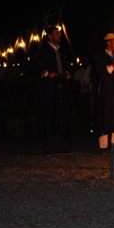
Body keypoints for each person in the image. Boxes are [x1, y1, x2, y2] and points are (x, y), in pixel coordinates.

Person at [31, 25, 73, 155]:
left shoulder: (61, 50)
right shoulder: (43, 50)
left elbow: (65, 64)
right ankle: (48, 145)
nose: (59, 36)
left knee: (61, 113)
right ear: (50, 36)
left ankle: (59, 145)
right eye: (56, 34)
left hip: (60, 87)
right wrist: (47, 73)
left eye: (59, 34)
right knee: (49, 113)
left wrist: (66, 72)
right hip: (48, 87)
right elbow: (34, 65)